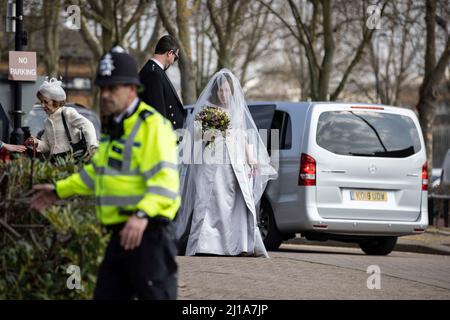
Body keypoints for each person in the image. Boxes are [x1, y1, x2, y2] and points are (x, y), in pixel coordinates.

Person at [30, 47, 181, 300]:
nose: (106, 95)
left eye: (113, 88)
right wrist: (59, 190)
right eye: (103, 88)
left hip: (149, 236)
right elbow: (96, 174)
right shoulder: (115, 128)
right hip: (119, 236)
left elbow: (166, 183)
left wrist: (142, 214)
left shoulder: (153, 125)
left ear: (132, 89)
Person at [175, 69, 278, 257]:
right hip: (211, 159)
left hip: (233, 161)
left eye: (227, 91)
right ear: (216, 92)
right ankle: (206, 244)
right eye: (221, 91)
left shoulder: (236, 110)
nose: (224, 95)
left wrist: (250, 157)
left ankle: (235, 243)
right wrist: (210, 133)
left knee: (232, 201)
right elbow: (197, 137)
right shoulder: (208, 109)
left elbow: (244, 135)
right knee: (211, 200)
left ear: (231, 92)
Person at [26, 78, 98, 161]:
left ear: (56, 101)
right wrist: (36, 142)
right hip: (55, 162)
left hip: (72, 159)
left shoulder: (67, 112)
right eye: (41, 102)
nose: (42, 105)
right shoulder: (47, 122)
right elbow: (47, 146)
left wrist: (92, 149)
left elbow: (87, 125)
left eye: (46, 102)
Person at [139, 35, 186, 130]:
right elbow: (157, 113)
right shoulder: (153, 74)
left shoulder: (156, 71)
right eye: (175, 57)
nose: (173, 61)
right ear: (170, 53)